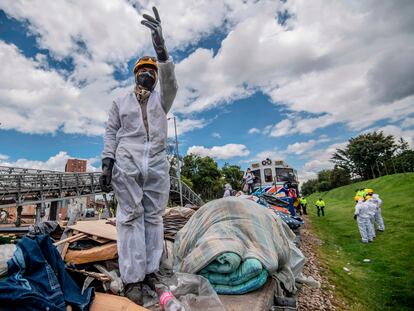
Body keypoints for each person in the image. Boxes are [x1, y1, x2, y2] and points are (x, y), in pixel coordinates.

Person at [99, 6, 178, 305]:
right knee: (130, 218)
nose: (147, 73)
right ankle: (133, 279)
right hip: (128, 164)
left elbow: (172, 81)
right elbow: (111, 131)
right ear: (135, 75)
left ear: (156, 78)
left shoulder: (163, 99)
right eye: (142, 70)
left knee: (154, 218)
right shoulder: (120, 100)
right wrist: (107, 162)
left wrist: (161, 49)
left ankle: (151, 272)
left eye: (152, 71)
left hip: (156, 166)